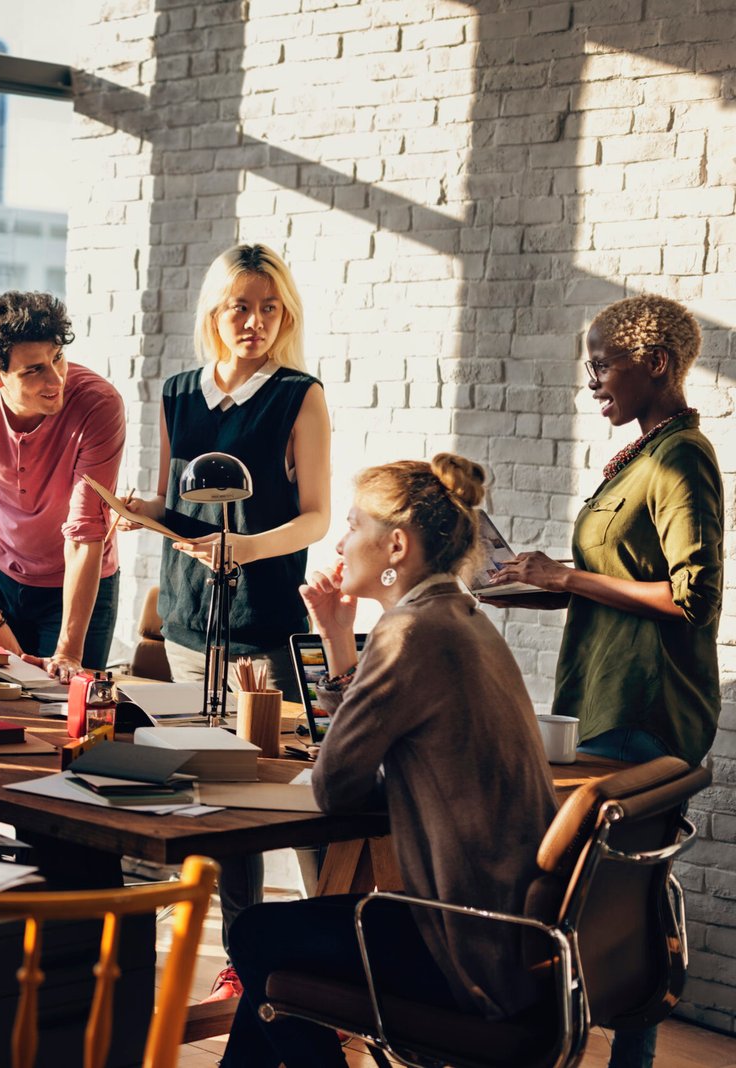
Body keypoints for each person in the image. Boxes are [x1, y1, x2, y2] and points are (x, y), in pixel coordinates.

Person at [221, 454, 558, 1067]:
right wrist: (335, 640)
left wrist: (346, 651)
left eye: (352, 525)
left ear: (396, 545)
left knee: (256, 935)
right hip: (512, 937)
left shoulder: (408, 634)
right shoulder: (462, 619)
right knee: (275, 956)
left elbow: (336, 785)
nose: (342, 541)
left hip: (463, 947)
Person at [489, 294, 723, 1068]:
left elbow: (692, 599)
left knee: (613, 901)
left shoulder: (682, 458)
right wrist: (540, 580)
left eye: (602, 363)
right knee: (602, 899)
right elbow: (617, 577)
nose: (592, 380)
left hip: (646, 710)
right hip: (601, 699)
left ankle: (627, 1058)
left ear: (654, 362)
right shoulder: (641, 456)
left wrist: (569, 577)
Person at [116, 242, 330, 998]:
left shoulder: (298, 394)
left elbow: (314, 520)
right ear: (215, 310)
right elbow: (186, 510)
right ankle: (244, 961)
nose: (256, 322)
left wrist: (244, 547)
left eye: (271, 308)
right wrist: (148, 514)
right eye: (241, 305)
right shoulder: (178, 391)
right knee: (212, 794)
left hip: (262, 618)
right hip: (184, 617)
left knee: (271, 792)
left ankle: (318, 959)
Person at [0, 291, 124, 676]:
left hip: (77, 584)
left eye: (57, 358)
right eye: (33, 370)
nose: (55, 380)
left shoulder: (99, 405)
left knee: (70, 710)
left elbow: (84, 534)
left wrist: (67, 651)